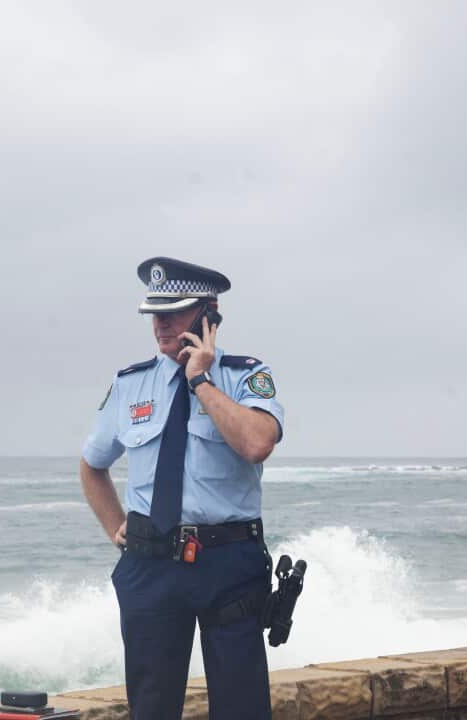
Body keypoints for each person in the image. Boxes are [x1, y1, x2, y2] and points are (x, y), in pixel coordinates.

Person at [79, 256, 284, 720]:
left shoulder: (245, 377)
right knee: (151, 710)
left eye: (174, 312)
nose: (161, 324)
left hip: (229, 565)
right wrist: (116, 526)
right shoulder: (130, 384)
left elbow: (256, 443)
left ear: (209, 316)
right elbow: (92, 465)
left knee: (242, 710)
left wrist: (201, 381)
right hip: (151, 568)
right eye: (155, 313)